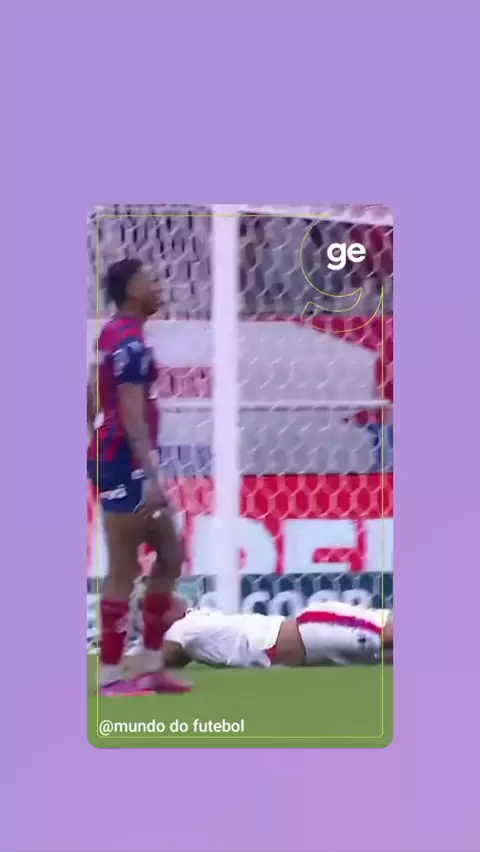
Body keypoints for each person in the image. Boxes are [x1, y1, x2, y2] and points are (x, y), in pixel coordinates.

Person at [87, 257, 191, 696]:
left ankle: (149, 666)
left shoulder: (115, 334)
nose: (158, 286)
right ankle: (111, 676)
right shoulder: (129, 343)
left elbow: (92, 391)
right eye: (150, 280)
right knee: (125, 566)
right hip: (123, 463)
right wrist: (150, 475)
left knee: (169, 553)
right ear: (131, 290)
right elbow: (130, 412)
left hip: (116, 459)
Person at [161, 598, 393, 669]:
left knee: (390, 636)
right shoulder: (186, 628)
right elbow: (172, 658)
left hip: (313, 630)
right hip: (309, 646)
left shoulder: (185, 626)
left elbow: (166, 657)